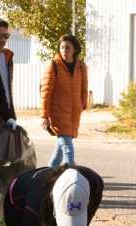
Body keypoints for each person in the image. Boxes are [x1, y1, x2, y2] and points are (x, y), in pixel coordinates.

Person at [41, 34, 88, 167]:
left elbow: (84, 87)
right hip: (58, 112)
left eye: (67, 48)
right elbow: (46, 92)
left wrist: (83, 104)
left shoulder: (81, 66)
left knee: (59, 151)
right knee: (68, 150)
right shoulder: (54, 65)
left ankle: (48, 176)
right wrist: (45, 115)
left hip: (74, 112)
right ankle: (72, 176)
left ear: (75, 50)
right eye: (61, 48)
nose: (64, 51)